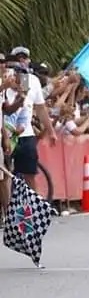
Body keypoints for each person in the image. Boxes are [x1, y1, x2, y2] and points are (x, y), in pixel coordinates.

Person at [3, 47, 57, 190]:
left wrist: (51, 131)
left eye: (24, 58)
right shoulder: (4, 79)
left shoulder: (31, 80)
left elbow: (40, 108)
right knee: (6, 176)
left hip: (25, 134)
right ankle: (8, 208)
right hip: (5, 134)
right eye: (18, 58)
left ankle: (33, 207)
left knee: (29, 174)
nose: (21, 61)